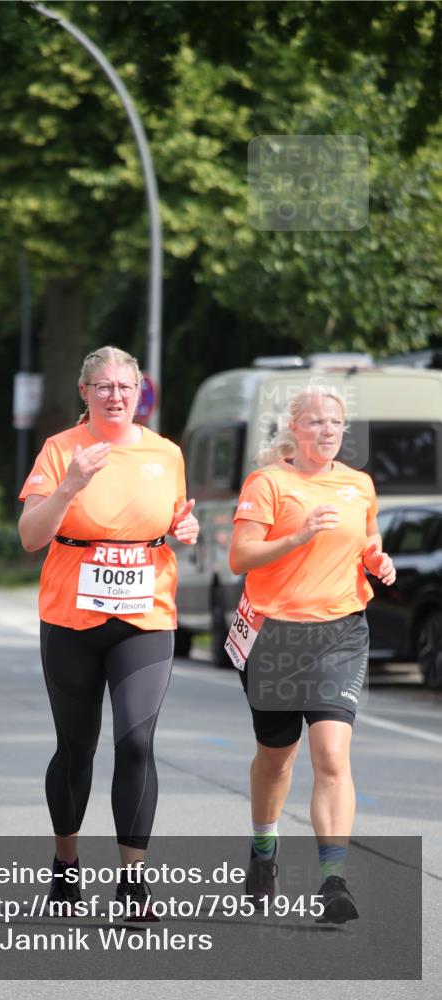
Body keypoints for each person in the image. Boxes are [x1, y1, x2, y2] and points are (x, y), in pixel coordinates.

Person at [18, 346, 199, 919]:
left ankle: (133, 882)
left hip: (144, 615)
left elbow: (173, 518)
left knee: (137, 742)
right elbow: (29, 536)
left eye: (125, 386)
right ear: (85, 393)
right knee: (76, 749)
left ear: (139, 392)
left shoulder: (165, 453)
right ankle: (66, 864)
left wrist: (185, 526)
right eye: (103, 387)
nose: (115, 395)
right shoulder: (59, 451)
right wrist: (69, 485)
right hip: (71, 617)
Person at [228, 386, 396, 924]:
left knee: (331, 756)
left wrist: (379, 561)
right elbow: (240, 557)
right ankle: (263, 848)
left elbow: (367, 541)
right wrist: (298, 536)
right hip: (276, 635)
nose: (328, 431)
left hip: (340, 633)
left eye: (336, 422)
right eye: (317, 422)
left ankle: (333, 882)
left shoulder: (358, 484)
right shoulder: (269, 483)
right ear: (294, 429)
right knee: (277, 758)